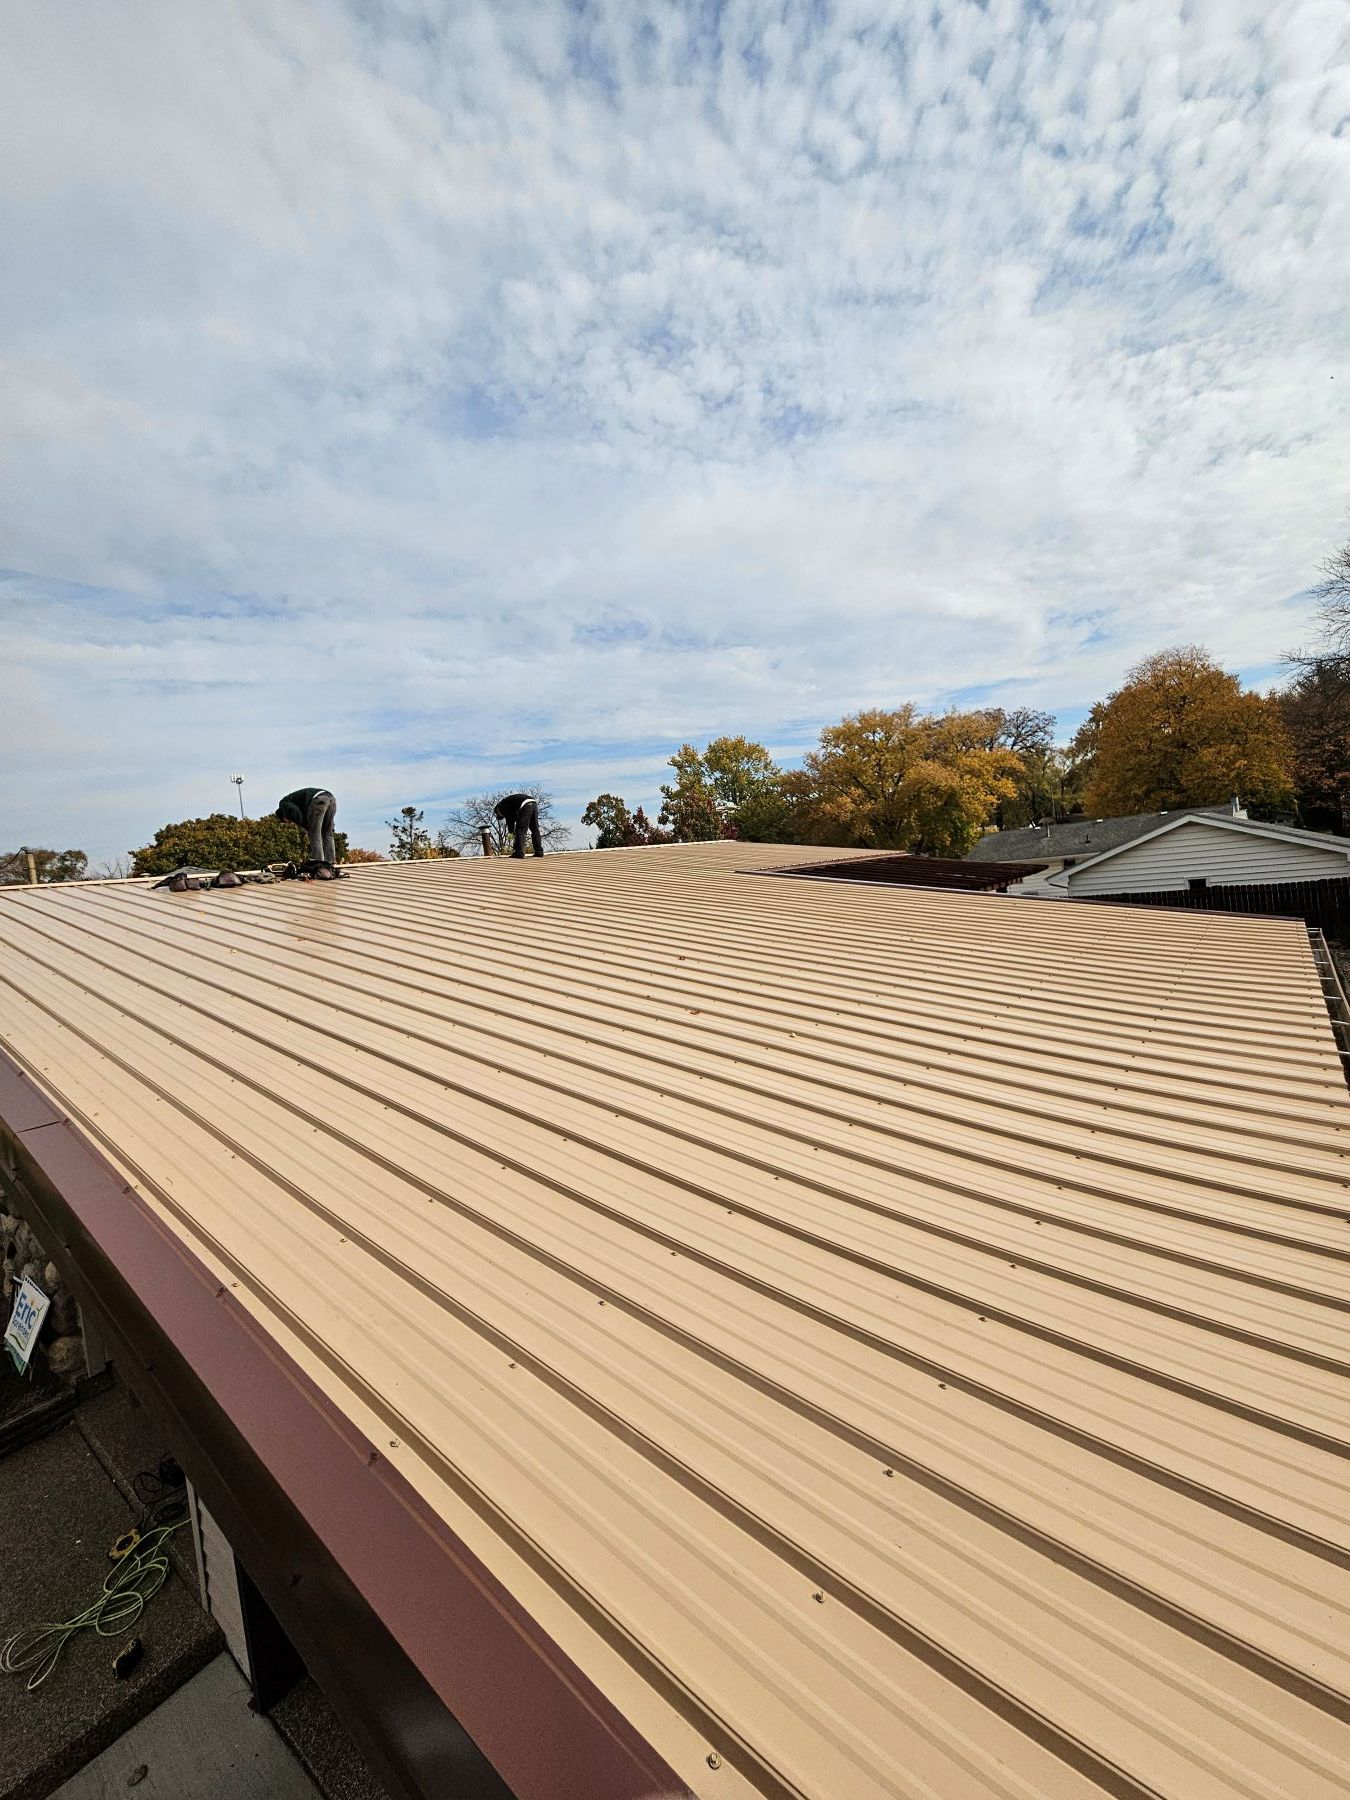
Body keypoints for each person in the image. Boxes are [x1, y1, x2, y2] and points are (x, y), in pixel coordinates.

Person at [276, 787, 342, 875]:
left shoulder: (284, 804)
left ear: (283, 816)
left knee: (314, 834)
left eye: (285, 821)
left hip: (318, 801)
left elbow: (297, 814)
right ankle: (331, 864)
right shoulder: (292, 800)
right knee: (327, 833)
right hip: (331, 799)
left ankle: (319, 866)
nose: (289, 823)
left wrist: (307, 827)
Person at [493, 791, 544, 858]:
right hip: (533, 803)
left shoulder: (501, 807)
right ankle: (539, 852)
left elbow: (511, 819)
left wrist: (511, 832)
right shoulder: (508, 802)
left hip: (525, 804)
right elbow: (515, 816)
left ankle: (519, 852)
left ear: (497, 812)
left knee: (520, 830)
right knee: (535, 829)